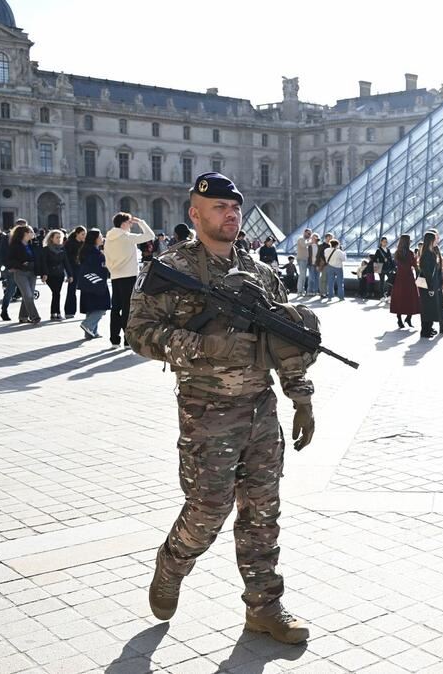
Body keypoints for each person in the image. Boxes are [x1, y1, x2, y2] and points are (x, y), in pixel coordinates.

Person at [127, 172, 318, 644]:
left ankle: (264, 606)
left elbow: (285, 341)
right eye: (218, 208)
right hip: (206, 412)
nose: (230, 214)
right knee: (208, 509)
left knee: (262, 512)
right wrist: (204, 347)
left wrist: (302, 397)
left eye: (235, 207)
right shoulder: (171, 270)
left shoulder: (260, 273)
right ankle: (172, 563)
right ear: (195, 213)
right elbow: (138, 334)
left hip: (260, 409)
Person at [104, 212, 155, 348]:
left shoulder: (108, 238)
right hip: (129, 275)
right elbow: (150, 236)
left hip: (115, 276)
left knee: (115, 308)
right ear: (124, 223)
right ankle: (127, 340)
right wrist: (141, 222)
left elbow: (107, 258)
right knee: (128, 308)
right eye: (129, 223)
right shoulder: (126, 237)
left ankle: (114, 340)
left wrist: (112, 270)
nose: (131, 225)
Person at [5, 223, 41, 324]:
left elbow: (38, 257)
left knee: (27, 296)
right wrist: (21, 264)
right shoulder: (15, 245)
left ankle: (23, 316)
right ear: (24, 233)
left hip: (32, 273)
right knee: (29, 295)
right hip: (21, 273)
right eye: (30, 232)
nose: (33, 233)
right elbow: (9, 260)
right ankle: (35, 316)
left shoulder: (32, 244)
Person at [77, 229, 109, 339]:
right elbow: (97, 267)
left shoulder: (86, 250)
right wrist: (105, 265)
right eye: (100, 237)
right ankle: (88, 325)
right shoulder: (94, 252)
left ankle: (91, 332)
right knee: (102, 307)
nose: (102, 238)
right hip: (96, 282)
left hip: (88, 282)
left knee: (91, 307)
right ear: (94, 239)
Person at [419, 230, 443, 338]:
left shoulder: (432, 253)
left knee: (431, 308)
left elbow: (436, 270)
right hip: (428, 285)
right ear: (430, 241)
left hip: (433, 284)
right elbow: (428, 273)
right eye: (435, 239)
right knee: (427, 308)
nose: (437, 241)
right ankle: (425, 330)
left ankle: (429, 328)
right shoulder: (426, 255)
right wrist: (431, 287)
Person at [0, 219, 29, 321]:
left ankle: (24, 315)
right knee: (11, 290)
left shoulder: (27, 237)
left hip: (25, 268)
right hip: (13, 268)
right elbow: (2, 254)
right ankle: (4, 311)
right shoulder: (7, 237)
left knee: (26, 292)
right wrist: (7, 267)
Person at [390, 235, 420, 329]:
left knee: (399, 298)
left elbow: (395, 264)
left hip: (399, 278)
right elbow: (414, 265)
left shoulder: (397, 253)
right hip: (409, 278)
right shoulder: (410, 253)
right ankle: (408, 317)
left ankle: (399, 319)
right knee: (411, 298)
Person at [40, 230, 69, 321]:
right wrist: (44, 274)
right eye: (57, 237)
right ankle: (56, 313)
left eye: (60, 237)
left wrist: (70, 275)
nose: (59, 239)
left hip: (60, 274)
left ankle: (55, 313)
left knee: (57, 293)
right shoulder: (46, 249)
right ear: (51, 238)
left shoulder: (63, 249)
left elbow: (66, 263)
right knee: (56, 292)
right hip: (50, 275)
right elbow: (43, 263)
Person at [64, 226, 86, 317]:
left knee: (85, 289)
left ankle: (86, 309)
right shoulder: (69, 243)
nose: (84, 236)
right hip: (73, 269)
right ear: (77, 234)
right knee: (71, 290)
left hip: (82, 269)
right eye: (82, 234)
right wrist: (69, 273)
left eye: (85, 234)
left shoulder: (84, 244)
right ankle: (69, 311)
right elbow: (67, 259)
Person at [295, 229, 313, 294]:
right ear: (304, 232)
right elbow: (304, 245)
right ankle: (299, 290)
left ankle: (301, 290)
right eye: (308, 234)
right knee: (302, 275)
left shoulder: (306, 240)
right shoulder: (301, 239)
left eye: (310, 234)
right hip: (301, 259)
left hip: (305, 260)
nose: (309, 235)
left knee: (304, 276)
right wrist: (312, 241)